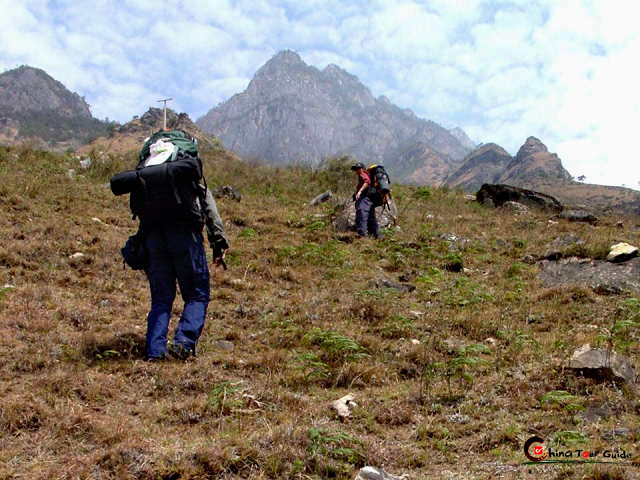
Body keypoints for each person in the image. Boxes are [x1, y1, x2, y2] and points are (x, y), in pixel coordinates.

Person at [139, 138, 229, 361]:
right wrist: (219, 244)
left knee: (161, 298)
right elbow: (209, 209)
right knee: (197, 294)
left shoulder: (148, 171)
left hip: (154, 237)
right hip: (185, 236)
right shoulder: (187, 173)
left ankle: (154, 351)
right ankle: (184, 344)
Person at [351, 162, 379, 238]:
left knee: (361, 214)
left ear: (362, 169)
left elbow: (367, 181)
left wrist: (359, 192)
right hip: (369, 199)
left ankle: (362, 235)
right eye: (355, 169)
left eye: (358, 168)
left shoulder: (362, 174)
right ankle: (377, 235)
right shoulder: (365, 174)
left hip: (365, 198)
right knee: (371, 216)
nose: (357, 170)